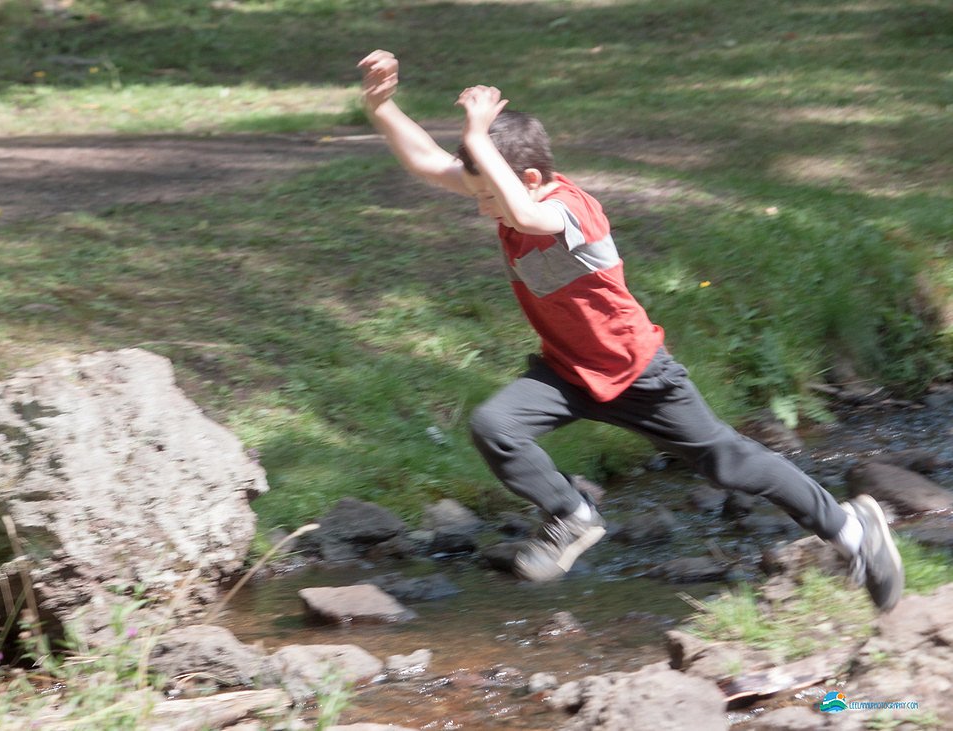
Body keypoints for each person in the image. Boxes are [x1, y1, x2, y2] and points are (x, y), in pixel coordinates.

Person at [357, 49, 904, 611]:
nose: (481, 212)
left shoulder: (571, 211)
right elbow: (426, 161)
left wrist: (476, 132)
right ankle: (572, 516)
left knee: (728, 463)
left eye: (488, 197)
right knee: (495, 424)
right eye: (478, 198)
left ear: (528, 179)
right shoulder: (505, 198)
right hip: (567, 371)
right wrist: (383, 106)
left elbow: (523, 214)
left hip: (638, 372)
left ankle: (853, 530)